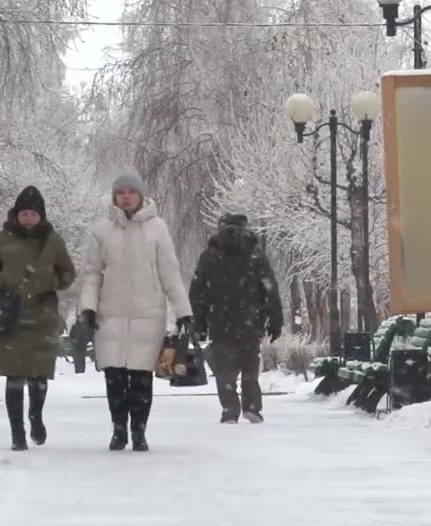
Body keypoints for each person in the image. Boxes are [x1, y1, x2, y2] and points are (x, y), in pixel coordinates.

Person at [79, 171, 192, 452]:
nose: (126, 197)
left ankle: (139, 431)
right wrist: (88, 307)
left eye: (131, 192)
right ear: (115, 197)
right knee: (114, 377)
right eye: (121, 192)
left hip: (147, 313)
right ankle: (119, 430)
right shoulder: (101, 230)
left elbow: (170, 273)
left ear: (140, 195)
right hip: (110, 314)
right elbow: (92, 273)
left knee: (141, 377)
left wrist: (183, 311)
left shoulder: (157, 229)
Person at [0, 185, 77, 451]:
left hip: (43, 316)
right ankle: (16, 433)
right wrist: (3, 280)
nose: (28, 219)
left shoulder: (53, 241)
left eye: (33, 214)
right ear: (16, 214)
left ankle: (36, 418)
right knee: (14, 376)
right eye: (24, 213)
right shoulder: (2, 239)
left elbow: (69, 274)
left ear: (41, 215)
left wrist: (50, 280)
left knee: (38, 375)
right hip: (11, 316)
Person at [189, 214, 283, 424]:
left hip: (220, 319)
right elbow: (270, 289)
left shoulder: (210, 256)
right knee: (250, 363)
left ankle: (230, 408)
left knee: (224, 367)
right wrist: (275, 319)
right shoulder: (256, 256)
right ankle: (251, 406)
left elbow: (198, 290)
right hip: (250, 319)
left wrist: (199, 320)